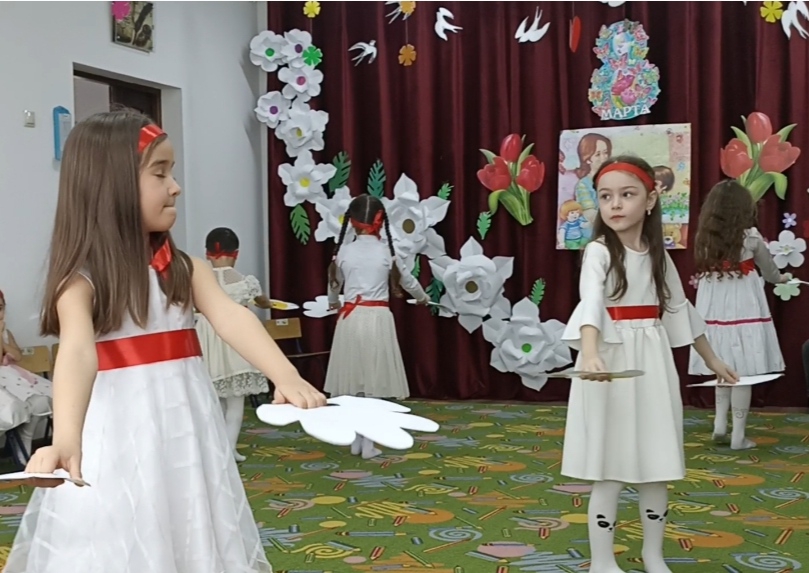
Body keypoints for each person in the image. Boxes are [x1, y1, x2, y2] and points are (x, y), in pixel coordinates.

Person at [5, 110, 325, 573]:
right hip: (120, 429)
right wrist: (67, 439)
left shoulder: (186, 268)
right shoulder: (82, 280)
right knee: (124, 528)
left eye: (171, 172)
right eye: (159, 173)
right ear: (111, 186)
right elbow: (76, 353)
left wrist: (286, 376)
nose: (175, 187)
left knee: (191, 520)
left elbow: (232, 317)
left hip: (185, 425)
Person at [560, 156, 737, 573]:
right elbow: (591, 301)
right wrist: (591, 352)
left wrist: (713, 359)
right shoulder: (598, 251)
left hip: (652, 361)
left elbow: (679, 308)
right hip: (608, 361)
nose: (615, 205)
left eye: (627, 194)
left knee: (657, 460)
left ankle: (654, 555)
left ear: (651, 200)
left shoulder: (659, 255)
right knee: (608, 465)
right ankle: (603, 561)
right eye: (606, 197)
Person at [325, 194, 429, 459]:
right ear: (380, 222)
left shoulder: (344, 251)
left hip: (350, 320)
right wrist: (422, 298)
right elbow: (408, 281)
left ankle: (357, 440)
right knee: (372, 381)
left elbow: (334, 283)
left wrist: (333, 302)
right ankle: (368, 443)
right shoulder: (386, 252)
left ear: (353, 221)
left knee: (356, 382)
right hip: (377, 319)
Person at [689, 180, 787, 450]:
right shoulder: (751, 237)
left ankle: (720, 424)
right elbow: (770, 272)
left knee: (721, 362)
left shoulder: (704, 237)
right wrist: (782, 278)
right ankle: (738, 435)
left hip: (713, 307)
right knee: (743, 370)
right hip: (745, 306)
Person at [195, 227, 272, 462]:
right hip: (234, 341)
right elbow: (264, 302)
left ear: (207, 253)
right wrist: (264, 302)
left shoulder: (199, 281)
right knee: (235, 404)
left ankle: (216, 449)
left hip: (205, 341)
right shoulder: (245, 282)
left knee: (214, 401)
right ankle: (228, 450)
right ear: (236, 253)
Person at [0, 290, 53, 457]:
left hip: (12, 375)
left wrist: (2, 336)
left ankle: (25, 439)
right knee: (12, 409)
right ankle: (15, 445)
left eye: (0, 308)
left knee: (41, 401)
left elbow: (17, 356)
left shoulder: (6, 333)